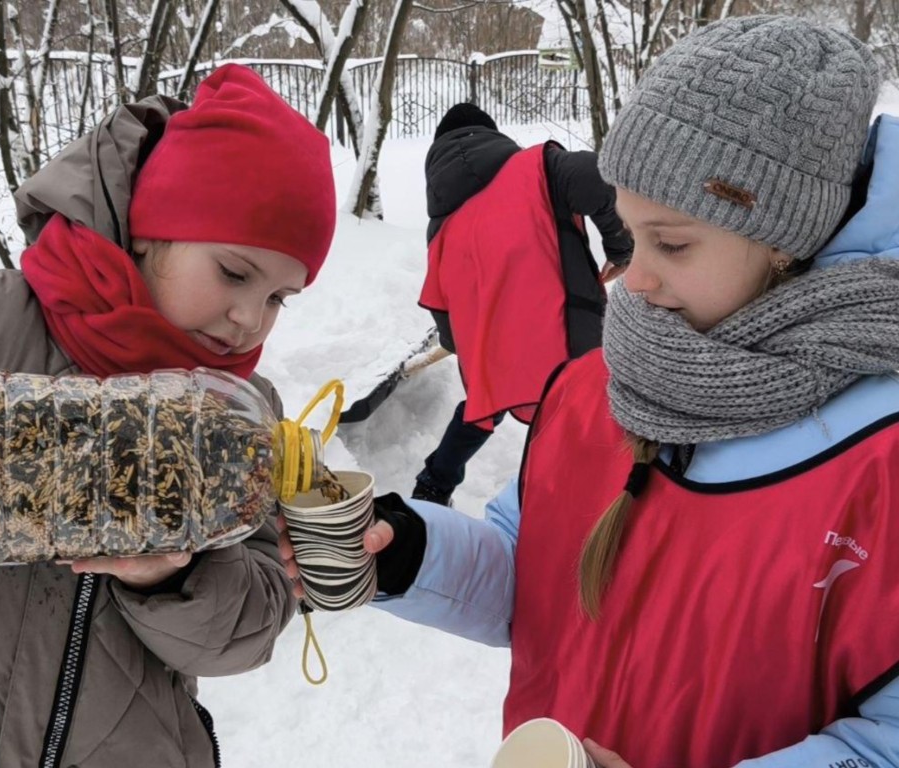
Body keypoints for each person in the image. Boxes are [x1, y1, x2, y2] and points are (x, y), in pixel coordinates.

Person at [280, 16, 899, 767]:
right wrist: (408, 551)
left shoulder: (881, 459)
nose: (632, 281)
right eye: (630, 236)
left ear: (784, 236)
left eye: (671, 244)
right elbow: (531, 566)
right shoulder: (593, 388)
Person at [0, 64, 335, 767]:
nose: (250, 320)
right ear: (151, 231)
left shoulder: (241, 424)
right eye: (235, 274)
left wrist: (172, 578)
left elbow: (249, 631)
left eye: (280, 298)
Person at [411, 103, 632, 505]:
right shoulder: (539, 168)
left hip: (496, 348)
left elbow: (441, 302)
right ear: (492, 136)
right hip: (567, 329)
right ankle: (581, 499)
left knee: (483, 407)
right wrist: (621, 247)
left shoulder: (441, 226)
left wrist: (471, 349)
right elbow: (603, 182)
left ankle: (433, 486)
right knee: (582, 408)